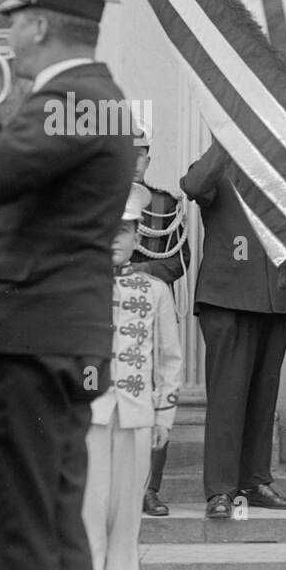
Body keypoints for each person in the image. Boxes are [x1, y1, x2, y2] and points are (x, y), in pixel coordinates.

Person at [0, 0, 137, 570]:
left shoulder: (74, 98)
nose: (7, 30)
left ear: (39, 25)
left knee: (18, 534)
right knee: (53, 528)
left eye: (14, 18)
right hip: (61, 335)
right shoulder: (97, 102)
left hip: (29, 335)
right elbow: (17, 169)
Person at [181, 142, 286, 518]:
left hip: (276, 298)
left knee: (262, 397)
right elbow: (193, 186)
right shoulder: (217, 166)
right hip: (228, 300)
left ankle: (255, 481)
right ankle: (220, 491)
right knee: (227, 397)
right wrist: (225, 140)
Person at [82, 183, 182, 570]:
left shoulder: (155, 289)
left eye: (124, 229)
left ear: (138, 234)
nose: (115, 238)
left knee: (127, 519)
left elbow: (169, 358)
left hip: (137, 414)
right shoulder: (70, 287)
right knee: (86, 515)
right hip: (85, 417)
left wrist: (165, 415)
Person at [129, 143, 190, 517]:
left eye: (141, 155)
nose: (134, 162)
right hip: (107, 310)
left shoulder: (165, 204)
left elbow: (179, 260)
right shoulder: (91, 198)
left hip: (152, 311)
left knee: (157, 397)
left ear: (149, 160)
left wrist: (143, 272)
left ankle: (150, 489)